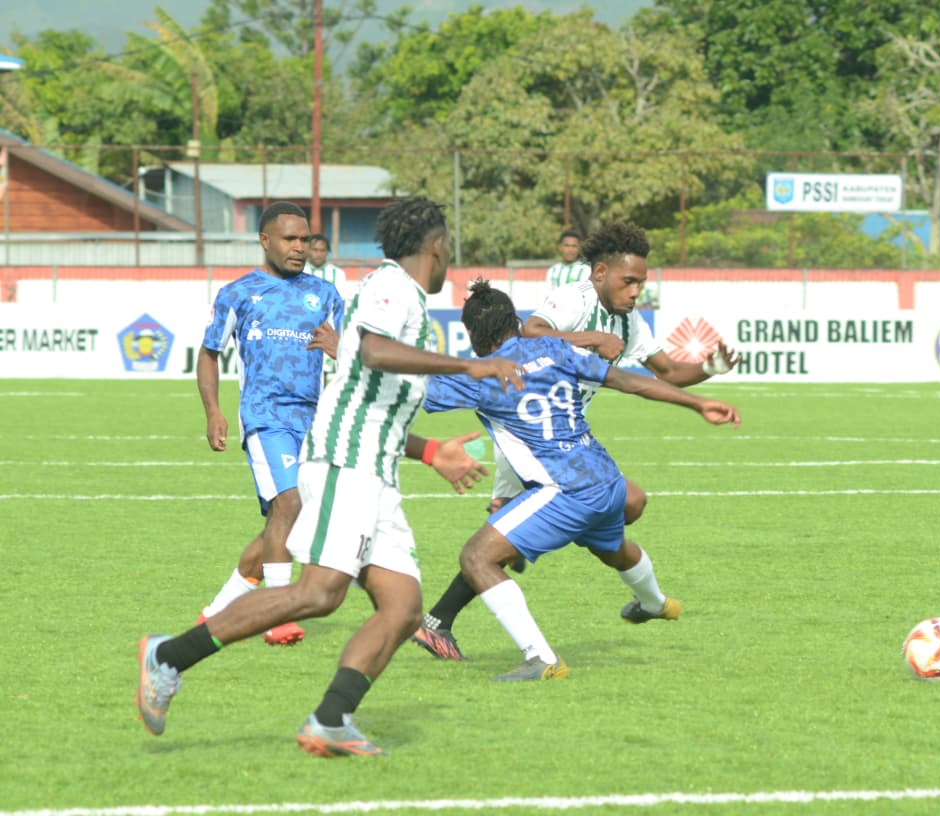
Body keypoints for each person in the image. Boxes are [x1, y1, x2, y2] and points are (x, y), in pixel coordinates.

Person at [136, 196, 526, 757]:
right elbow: (372, 350)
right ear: (437, 248)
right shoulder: (392, 288)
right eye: (449, 251)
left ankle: (331, 719)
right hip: (346, 464)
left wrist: (429, 450)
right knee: (318, 593)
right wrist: (471, 364)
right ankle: (167, 657)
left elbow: (363, 390)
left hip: (376, 471)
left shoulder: (393, 296)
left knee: (403, 608)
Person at [411, 220, 740, 661]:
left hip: (566, 435)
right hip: (527, 437)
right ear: (600, 272)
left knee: (628, 505)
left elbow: (666, 373)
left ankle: (649, 601)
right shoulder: (573, 299)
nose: (637, 291)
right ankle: (440, 623)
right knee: (496, 548)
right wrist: (589, 338)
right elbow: (530, 333)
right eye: (629, 281)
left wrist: (708, 369)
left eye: (642, 282)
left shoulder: (630, 322)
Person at [195, 202, 345, 647]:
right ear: (265, 240)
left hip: (314, 421)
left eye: (304, 239)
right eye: (289, 239)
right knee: (290, 505)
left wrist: (343, 348)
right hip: (266, 416)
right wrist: (213, 410)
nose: (298, 247)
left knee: (283, 524)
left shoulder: (326, 295)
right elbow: (209, 351)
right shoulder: (238, 293)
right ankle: (278, 613)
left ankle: (216, 612)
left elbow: (353, 352)